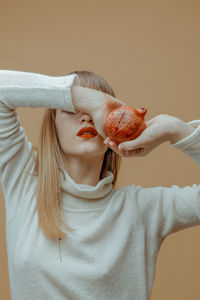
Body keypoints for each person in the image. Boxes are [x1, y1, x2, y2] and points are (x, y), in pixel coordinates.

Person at [0, 69, 199, 300]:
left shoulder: (143, 209)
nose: (86, 117)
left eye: (98, 113)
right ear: (52, 126)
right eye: (72, 109)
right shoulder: (23, 183)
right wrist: (92, 100)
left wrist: (177, 129)